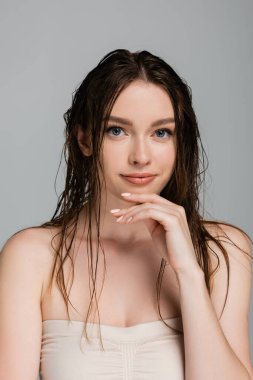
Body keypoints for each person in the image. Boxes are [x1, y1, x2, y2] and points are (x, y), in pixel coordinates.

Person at [0, 48, 252, 380]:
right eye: (117, 131)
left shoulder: (223, 251)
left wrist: (188, 272)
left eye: (161, 132)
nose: (141, 156)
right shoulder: (32, 256)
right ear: (85, 139)